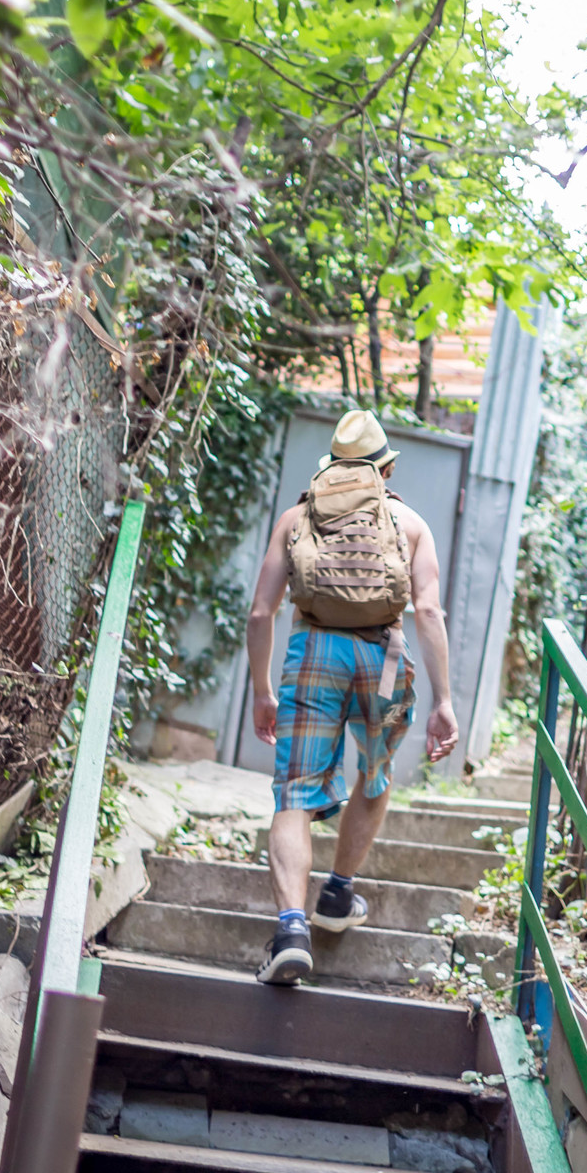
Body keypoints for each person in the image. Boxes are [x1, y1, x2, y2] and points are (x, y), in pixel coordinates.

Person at [246, 408, 458, 984]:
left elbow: (262, 611)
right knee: (376, 770)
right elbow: (430, 611)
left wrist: (264, 690)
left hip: (312, 656)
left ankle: (291, 928)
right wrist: (443, 700)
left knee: (294, 795)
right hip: (386, 662)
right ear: (385, 469)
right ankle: (337, 896)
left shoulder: (297, 516)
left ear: (331, 469)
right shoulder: (410, 524)